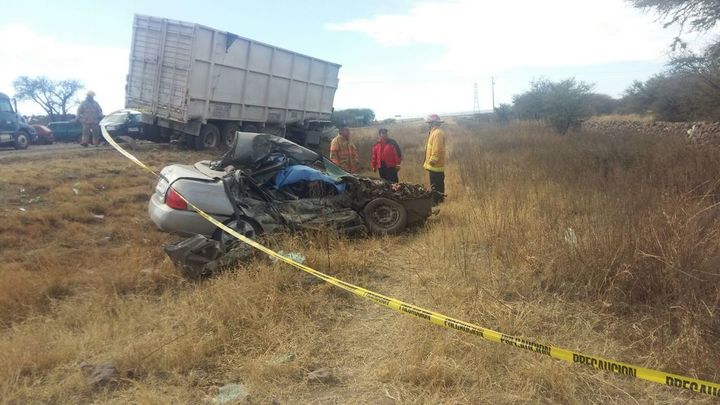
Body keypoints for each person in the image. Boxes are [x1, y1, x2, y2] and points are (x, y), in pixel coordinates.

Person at [423, 114, 446, 204]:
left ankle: (437, 201)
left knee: (436, 184)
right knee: (436, 184)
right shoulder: (434, 132)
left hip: (435, 165)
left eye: (429, 123)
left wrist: (432, 160)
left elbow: (437, 148)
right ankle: (438, 200)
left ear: (433, 123)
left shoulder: (438, 133)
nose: (428, 124)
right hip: (434, 166)